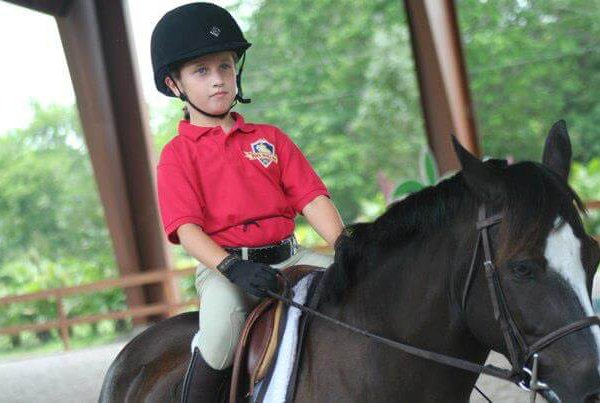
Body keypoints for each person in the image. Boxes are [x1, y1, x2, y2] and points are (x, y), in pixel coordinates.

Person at [150, 3, 345, 401]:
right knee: (221, 336)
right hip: (226, 269)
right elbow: (186, 230)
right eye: (201, 71)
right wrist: (231, 267)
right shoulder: (177, 155)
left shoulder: (270, 138)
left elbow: (312, 199)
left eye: (224, 66)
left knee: (364, 292)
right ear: (175, 85)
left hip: (291, 257)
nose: (218, 80)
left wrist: (348, 248)